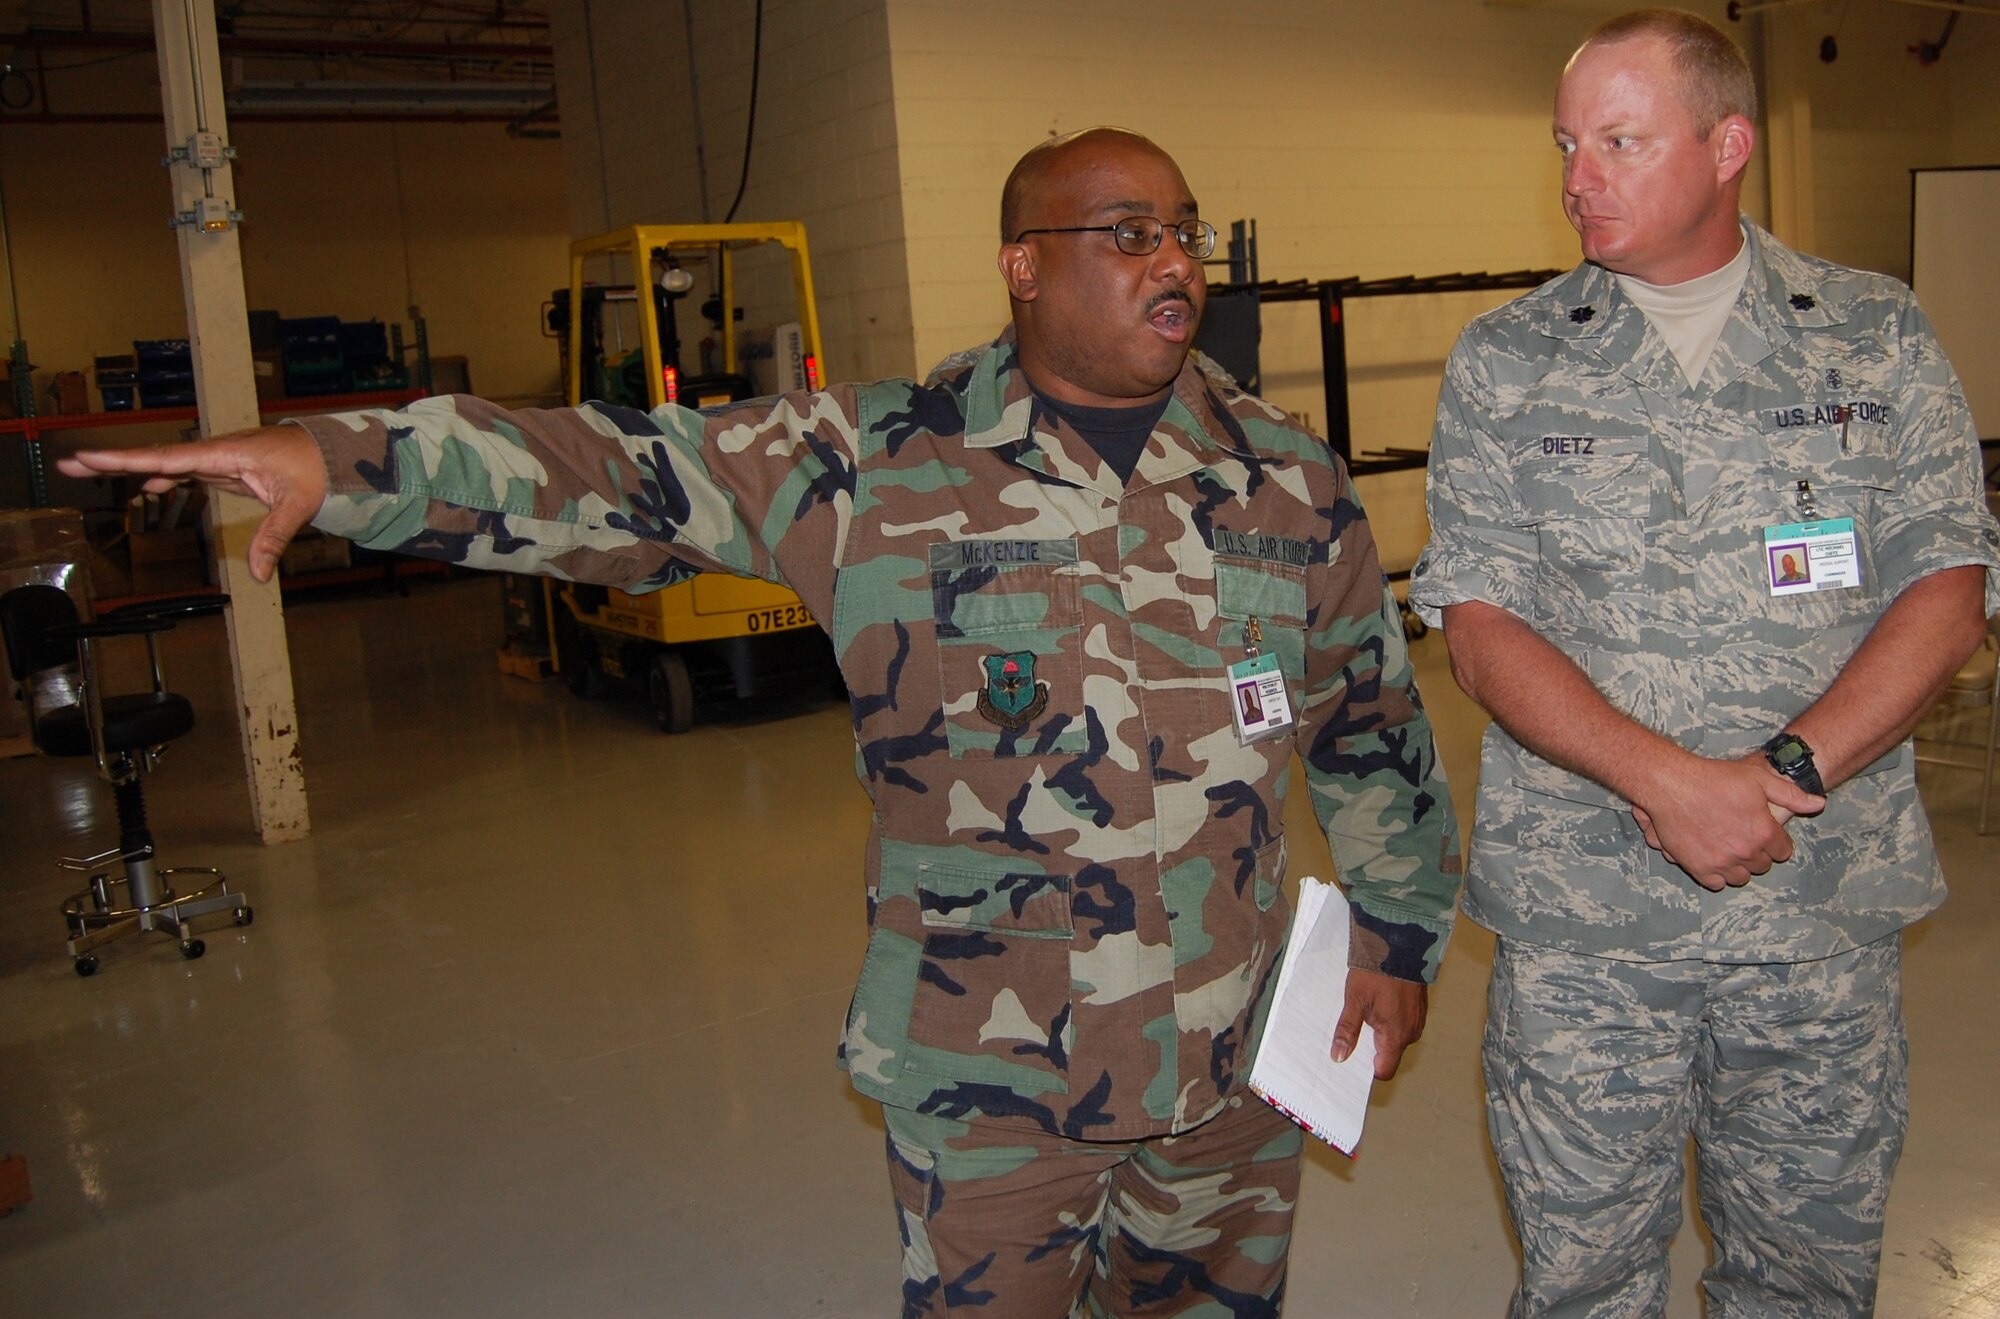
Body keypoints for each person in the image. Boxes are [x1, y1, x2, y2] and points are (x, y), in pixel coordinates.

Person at [64, 128, 1464, 1317]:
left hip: (1231, 1078)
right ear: (1023, 264)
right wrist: (340, 459)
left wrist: (1398, 941)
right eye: (1127, 231)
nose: (1174, 261)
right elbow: (611, 472)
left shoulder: (1284, 480)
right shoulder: (874, 464)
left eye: (1185, 231)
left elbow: (1370, 726)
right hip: (994, 1091)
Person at [1410, 10, 2000, 1317]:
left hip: (1816, 911)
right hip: (1586, 924)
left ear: (1728, 144)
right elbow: (1484, 621)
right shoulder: (1509, 362)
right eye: (1567, 142)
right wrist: (1668, 781)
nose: (1578, 176)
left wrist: (1784, 772)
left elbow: (1947, 591)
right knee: (1581, 1278)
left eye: (1619, 140)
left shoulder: (1872, 334)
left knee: (1806, 1275)